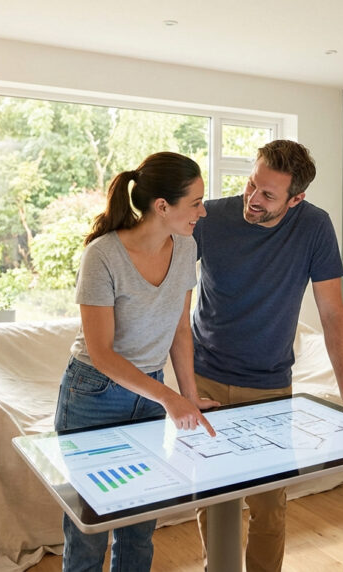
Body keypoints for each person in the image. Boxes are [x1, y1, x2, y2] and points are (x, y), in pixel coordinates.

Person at [191, 139, 343, 571]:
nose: (252, 199)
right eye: (251, 184)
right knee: (213, 495)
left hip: (270, 382)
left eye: (268, 195)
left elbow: (332, 311)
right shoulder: (210, 218)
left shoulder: (314, 227)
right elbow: (168, 289)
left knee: (270, 504)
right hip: (207, 377)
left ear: (297, 199)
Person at [55, 151, 219, 572]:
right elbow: (103, 353)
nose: (203, 211)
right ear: (162, 206)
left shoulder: (185, 248)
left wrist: (190, 396)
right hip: (93, 395)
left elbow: (181, 329)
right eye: (196, 203)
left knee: (139, 525)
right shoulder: (102, 256)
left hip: (147, 394)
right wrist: (169, 398)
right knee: (90, 526)